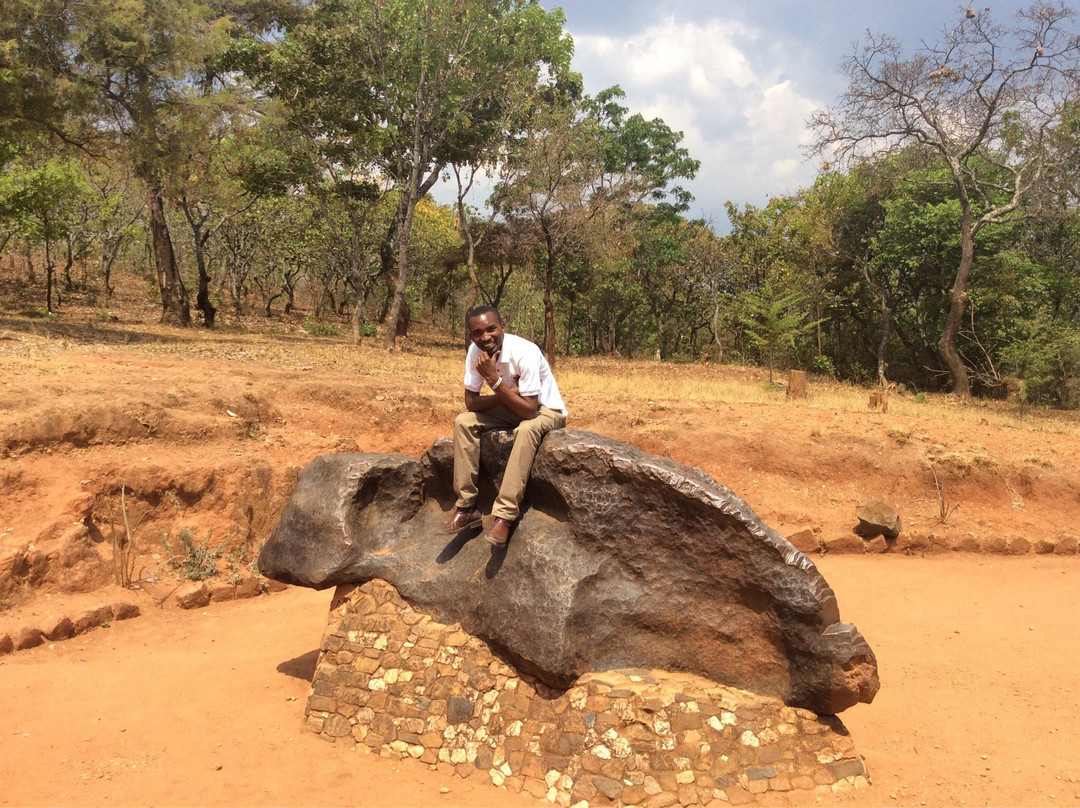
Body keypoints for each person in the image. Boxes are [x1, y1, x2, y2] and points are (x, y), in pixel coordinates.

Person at [443, 305, 566, 547]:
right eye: (477, 333)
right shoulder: (474, 352)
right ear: (471, 336)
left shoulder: (525, 352)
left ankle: (504, 515)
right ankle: (467, 506)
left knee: (526, 429)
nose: (485, 337)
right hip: (513, 408)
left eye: (491, 329)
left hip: (546, 410)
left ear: (503, 328)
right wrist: (507, 393)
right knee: (463, 422)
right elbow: (471, 403)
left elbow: (529, 411)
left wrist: (494, 380)